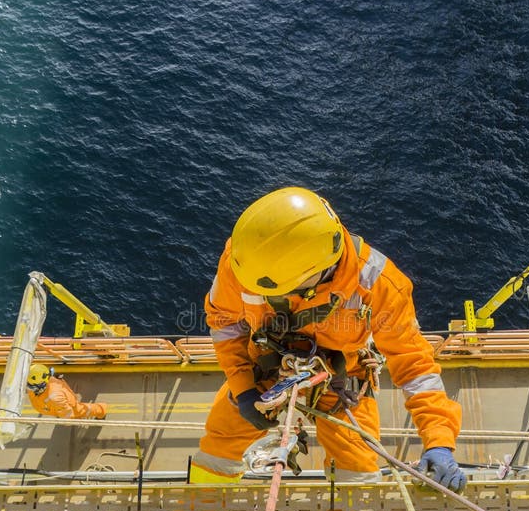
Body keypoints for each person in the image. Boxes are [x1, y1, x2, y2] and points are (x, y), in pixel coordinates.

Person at [192, 186, 465, 491]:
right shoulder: (246, 263)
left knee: (357, 472)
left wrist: (439, 441)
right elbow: (225, 323)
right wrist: (243, 390)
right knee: (217, 449)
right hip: (266, 374)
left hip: (341, 381)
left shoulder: (379, 285)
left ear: (313, 275)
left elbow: (416, 368)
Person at [26, 363, 107, 420]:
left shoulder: (55, 397)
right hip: (53, 406)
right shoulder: (39, 380)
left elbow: (67, 414)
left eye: (32, 388)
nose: (29, 390)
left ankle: (102, 410)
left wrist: (67, 420)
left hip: (68, 406)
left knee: (82, 411)